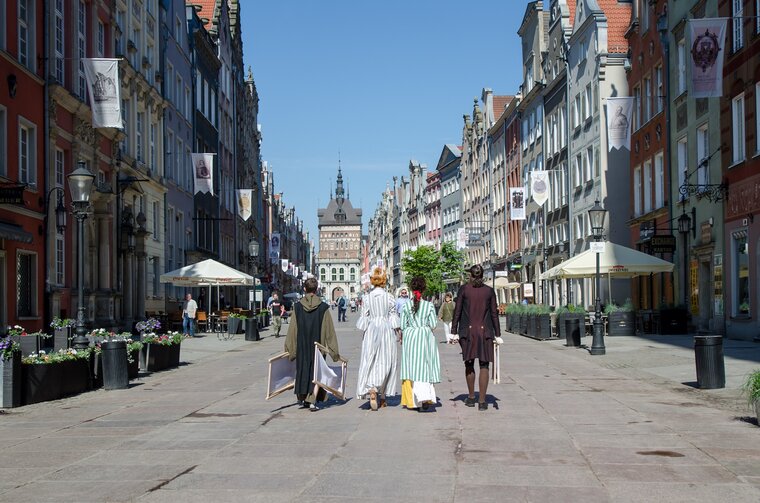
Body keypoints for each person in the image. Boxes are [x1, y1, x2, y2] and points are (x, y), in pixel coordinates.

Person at [451, 265, 503, 411]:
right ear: (482, 276)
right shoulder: (489, 291)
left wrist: (453, 331)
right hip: (485, 331)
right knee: (484, 364)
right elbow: (494, 313)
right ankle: (482, 401)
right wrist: (498, 334)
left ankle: (471, 397)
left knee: (469, 363)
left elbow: (458, 311)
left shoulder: (464, 289)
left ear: (470, 275)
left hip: (467, 332)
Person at [285, 277, 340, 411]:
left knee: (303, 371)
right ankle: (312, 400)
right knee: (317, 372)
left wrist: (290, 349)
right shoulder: (323, 308)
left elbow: (292, 330)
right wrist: (334, 352)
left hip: (302, 346)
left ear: (304, 289)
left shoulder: (297, 308)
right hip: (318, 346)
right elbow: (329, 331)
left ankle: (305, 398)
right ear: (316, 290)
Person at [355, 267, 400, 411]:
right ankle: (383, 396)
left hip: (372, 329)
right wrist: (398, 331)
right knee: (386, 360)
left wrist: (365, 332)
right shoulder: (390, 297)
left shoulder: (367, 298)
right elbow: (393, 316)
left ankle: (372, 388)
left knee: (370, 359)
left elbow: (364, 317)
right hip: (386, 329)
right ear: (384, 281)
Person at [400, 276, 441, 411]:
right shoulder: (428, 305)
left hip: (411, 337)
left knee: (411, 367)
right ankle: (425, 398)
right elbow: (433, 324)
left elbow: (402, 325)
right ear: (424, 289)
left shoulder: (406, 305)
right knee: (425, 367)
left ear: (411, 289)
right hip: (424, 337)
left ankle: (412, 400)